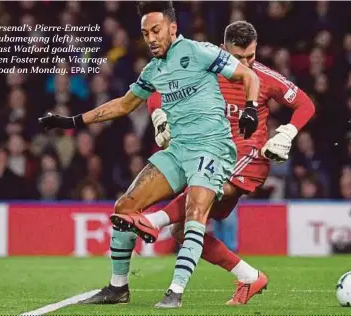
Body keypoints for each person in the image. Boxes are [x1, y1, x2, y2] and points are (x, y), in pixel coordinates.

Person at [38, 2, 260, 308]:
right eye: (145, 34)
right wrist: (72, 122)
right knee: (124, 207)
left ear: (172, 28)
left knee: (196, 213)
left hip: (212, 147)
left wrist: (250, 109)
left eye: (156, 30)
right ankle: (118, 288)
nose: (151, 38)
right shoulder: (154, 69)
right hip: (179, 149)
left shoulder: (199, 51)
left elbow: (250, 77)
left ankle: (176, 292)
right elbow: (123, 104)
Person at [122, 20, 315, 305]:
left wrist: (288, 132)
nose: (247, 64)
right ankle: (249, 276)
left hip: (248, 157)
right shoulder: (202, 66)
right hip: (211, 153)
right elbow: (157, 90)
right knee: (181, 230)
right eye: (239, 58)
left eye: (251, 56)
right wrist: (159, 116)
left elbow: (305, 104)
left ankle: (154, 220)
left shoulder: (263, 76)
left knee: (205, 188)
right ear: (223, 50)